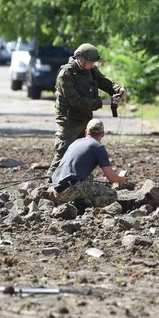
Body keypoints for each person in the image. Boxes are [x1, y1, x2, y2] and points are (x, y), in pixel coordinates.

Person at [49, 43, 126, 173]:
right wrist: (105, 102)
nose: (92, 65)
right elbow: (76, 101)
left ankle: (79, 181)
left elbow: (104, 82)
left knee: (83, 152)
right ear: (80, 59)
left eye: (93, 63)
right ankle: (49, 183)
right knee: (63, 152)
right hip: (69, 120)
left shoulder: (90, 70)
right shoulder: (65, 74)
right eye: (90, 62)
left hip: (85, 118)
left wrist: (119, 89)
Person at [50, 119, 126, 209]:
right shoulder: (98, 147)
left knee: (89, 178)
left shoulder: (76, 142)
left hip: (56, 188)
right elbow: (111, 178)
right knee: (112, 194)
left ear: (86, 132)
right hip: (69, 190)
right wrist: (120, 179)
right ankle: (83, 205)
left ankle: (76, 200)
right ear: (103, 134)